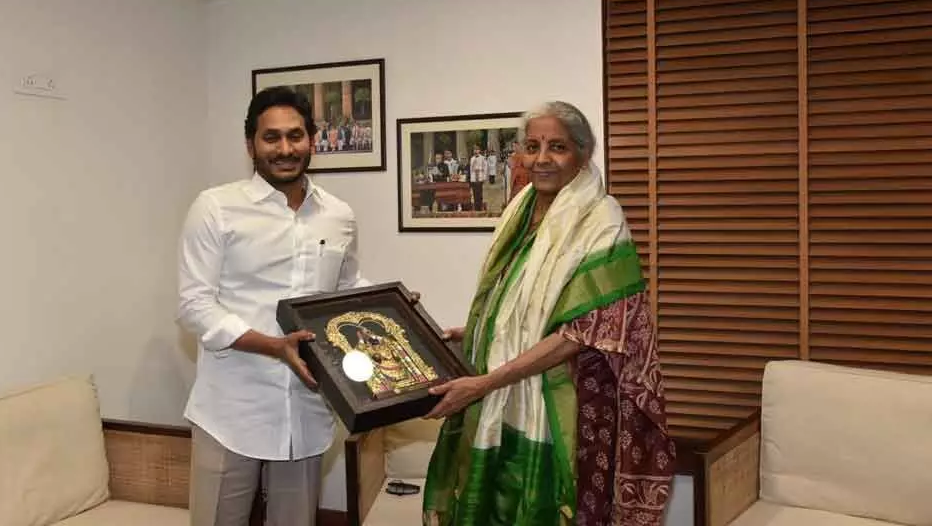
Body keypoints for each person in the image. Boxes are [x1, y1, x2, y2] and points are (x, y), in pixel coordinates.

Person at [422, 101, 675, 526]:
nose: (541, 159)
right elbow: (526, 307)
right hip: (507, 389)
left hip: (567, 403)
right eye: (532, 146)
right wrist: (476, 333)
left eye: (557, 146)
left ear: (583, 153)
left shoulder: (601, 221)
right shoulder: (520, 212)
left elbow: (581, 333)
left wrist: (485, 382)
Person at [176, 86, 371, 526]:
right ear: (251, 145)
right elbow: (194, 305)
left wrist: (397, 313)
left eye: (295, 136)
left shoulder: (338, 215)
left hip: (307, 407)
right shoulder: (216, 208)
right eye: (272, 138)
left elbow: (346, 288)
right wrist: (272, 345)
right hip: (231, 408)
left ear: (313, 140)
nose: (285, 149)